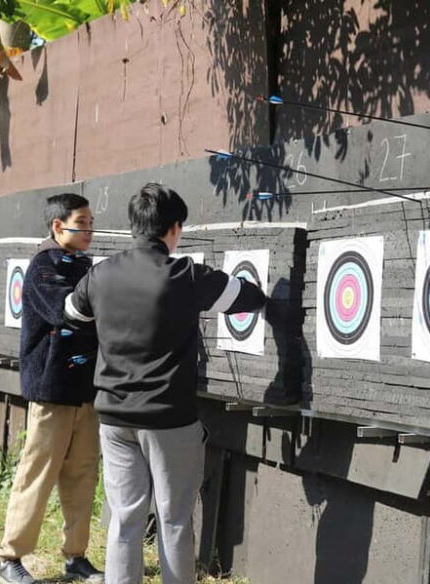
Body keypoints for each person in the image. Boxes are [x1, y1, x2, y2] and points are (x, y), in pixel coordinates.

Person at [64, 183, 267, 584]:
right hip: (168, 420)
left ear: (134, 226)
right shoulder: (186, 274)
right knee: (173, 520)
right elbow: (249, 297)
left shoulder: (100, 274)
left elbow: (72, 313)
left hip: (114, 418)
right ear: (173, 228)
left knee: (125, 518)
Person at [0, 193, 105, 584]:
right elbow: (67, 311)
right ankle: (9, 558)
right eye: (82, 222)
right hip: (52, 390)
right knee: (37, 475)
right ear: (58, 226)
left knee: (82, 474)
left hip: (86, 391)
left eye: (92, 222)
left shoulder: (85, 265)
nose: (90, 229)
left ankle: (75, 556)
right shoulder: (44, 266)